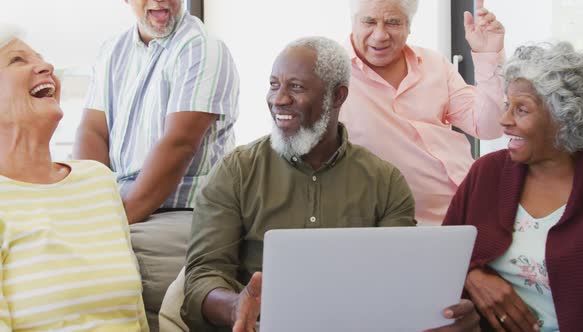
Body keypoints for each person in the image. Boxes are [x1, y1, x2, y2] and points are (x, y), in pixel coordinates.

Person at [158, 36, 481, 332]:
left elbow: (396, 282)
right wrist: (235, 306)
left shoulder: (385, 181)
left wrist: (439, 314)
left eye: (296, 87)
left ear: (337, 95)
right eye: (274, 85)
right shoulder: (236, 171)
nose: (279, 99)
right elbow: (202, 275)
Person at [73, 0, 239, 328]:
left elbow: (178, 146)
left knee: (88, 266)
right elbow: (92, 130)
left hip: (185, 214)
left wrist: (109, 222)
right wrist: (90, 205)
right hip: (124, 208)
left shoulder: (203, 49)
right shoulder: (112, 50)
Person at [0, 26, 148, 331]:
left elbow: (135, 315)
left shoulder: (97, 181)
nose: (47, 67)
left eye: (42, 59)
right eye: (17, 61)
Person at [443, 42, 583, 331]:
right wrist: (472, 276)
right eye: (507, 105)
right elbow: (442, 257)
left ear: (565, 118)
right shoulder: (487, 173)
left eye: (521, 110)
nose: (504, 120)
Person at [339, 0, 505, 225]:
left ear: (409, 26)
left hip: (472, 204)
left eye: (393, 22)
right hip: (400, 223)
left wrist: (488, 55)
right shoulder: (332, 75)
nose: (379, 35)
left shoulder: (434, 63)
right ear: (353, 23)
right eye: (369, 22)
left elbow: (489, 126)